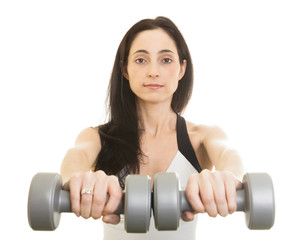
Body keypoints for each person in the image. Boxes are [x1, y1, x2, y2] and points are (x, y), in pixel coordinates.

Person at [60, 16, 244, 239]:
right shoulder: (98, 137)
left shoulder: (202, 137)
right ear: (125, 69)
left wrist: (228, 177)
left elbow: (228, 154)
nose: (153, 72)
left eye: (166, 60)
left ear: (182, 69)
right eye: (141, 60)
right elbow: (76, 157)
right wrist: (79, 180)